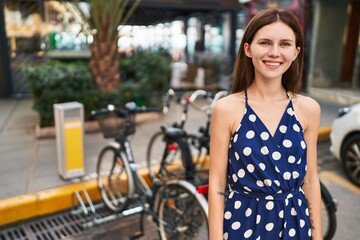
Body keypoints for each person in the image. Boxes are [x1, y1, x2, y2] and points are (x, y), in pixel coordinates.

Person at [208, 8, 322, 240]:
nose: (274, 52)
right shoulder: (228, 108)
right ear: (248, 49)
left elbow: (310, 178)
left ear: (296, 52)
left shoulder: (308, 109)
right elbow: (217, 182)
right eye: (265, 43)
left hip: (295, 226)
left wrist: (317, 235)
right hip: (242, 223)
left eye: (285, 44)